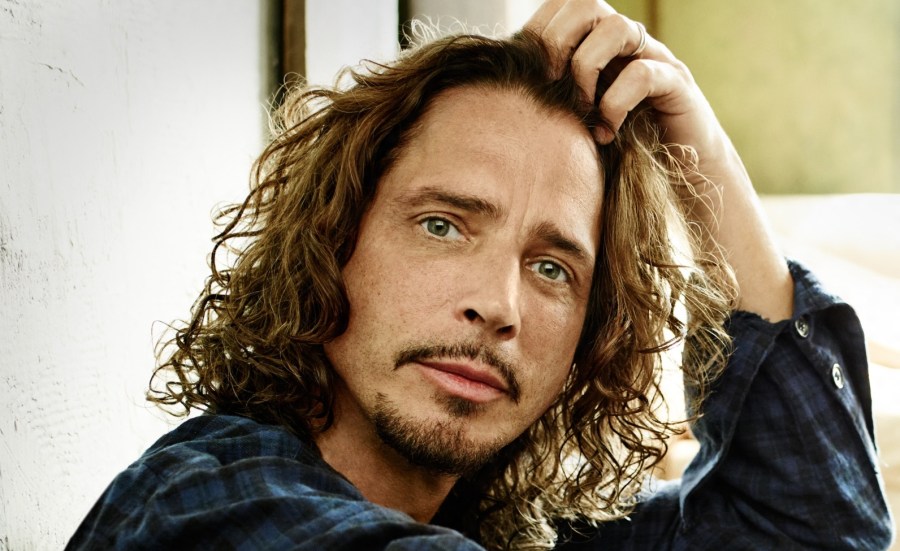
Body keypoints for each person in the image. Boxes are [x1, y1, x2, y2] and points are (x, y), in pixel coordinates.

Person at [67, 1, 893, 549]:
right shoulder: (205, 506)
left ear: (589, 335)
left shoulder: (498, 525)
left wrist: (699, 148)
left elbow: (816, 530)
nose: (498, 305)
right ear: (332, 239)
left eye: (551, 267)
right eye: (442, 225)